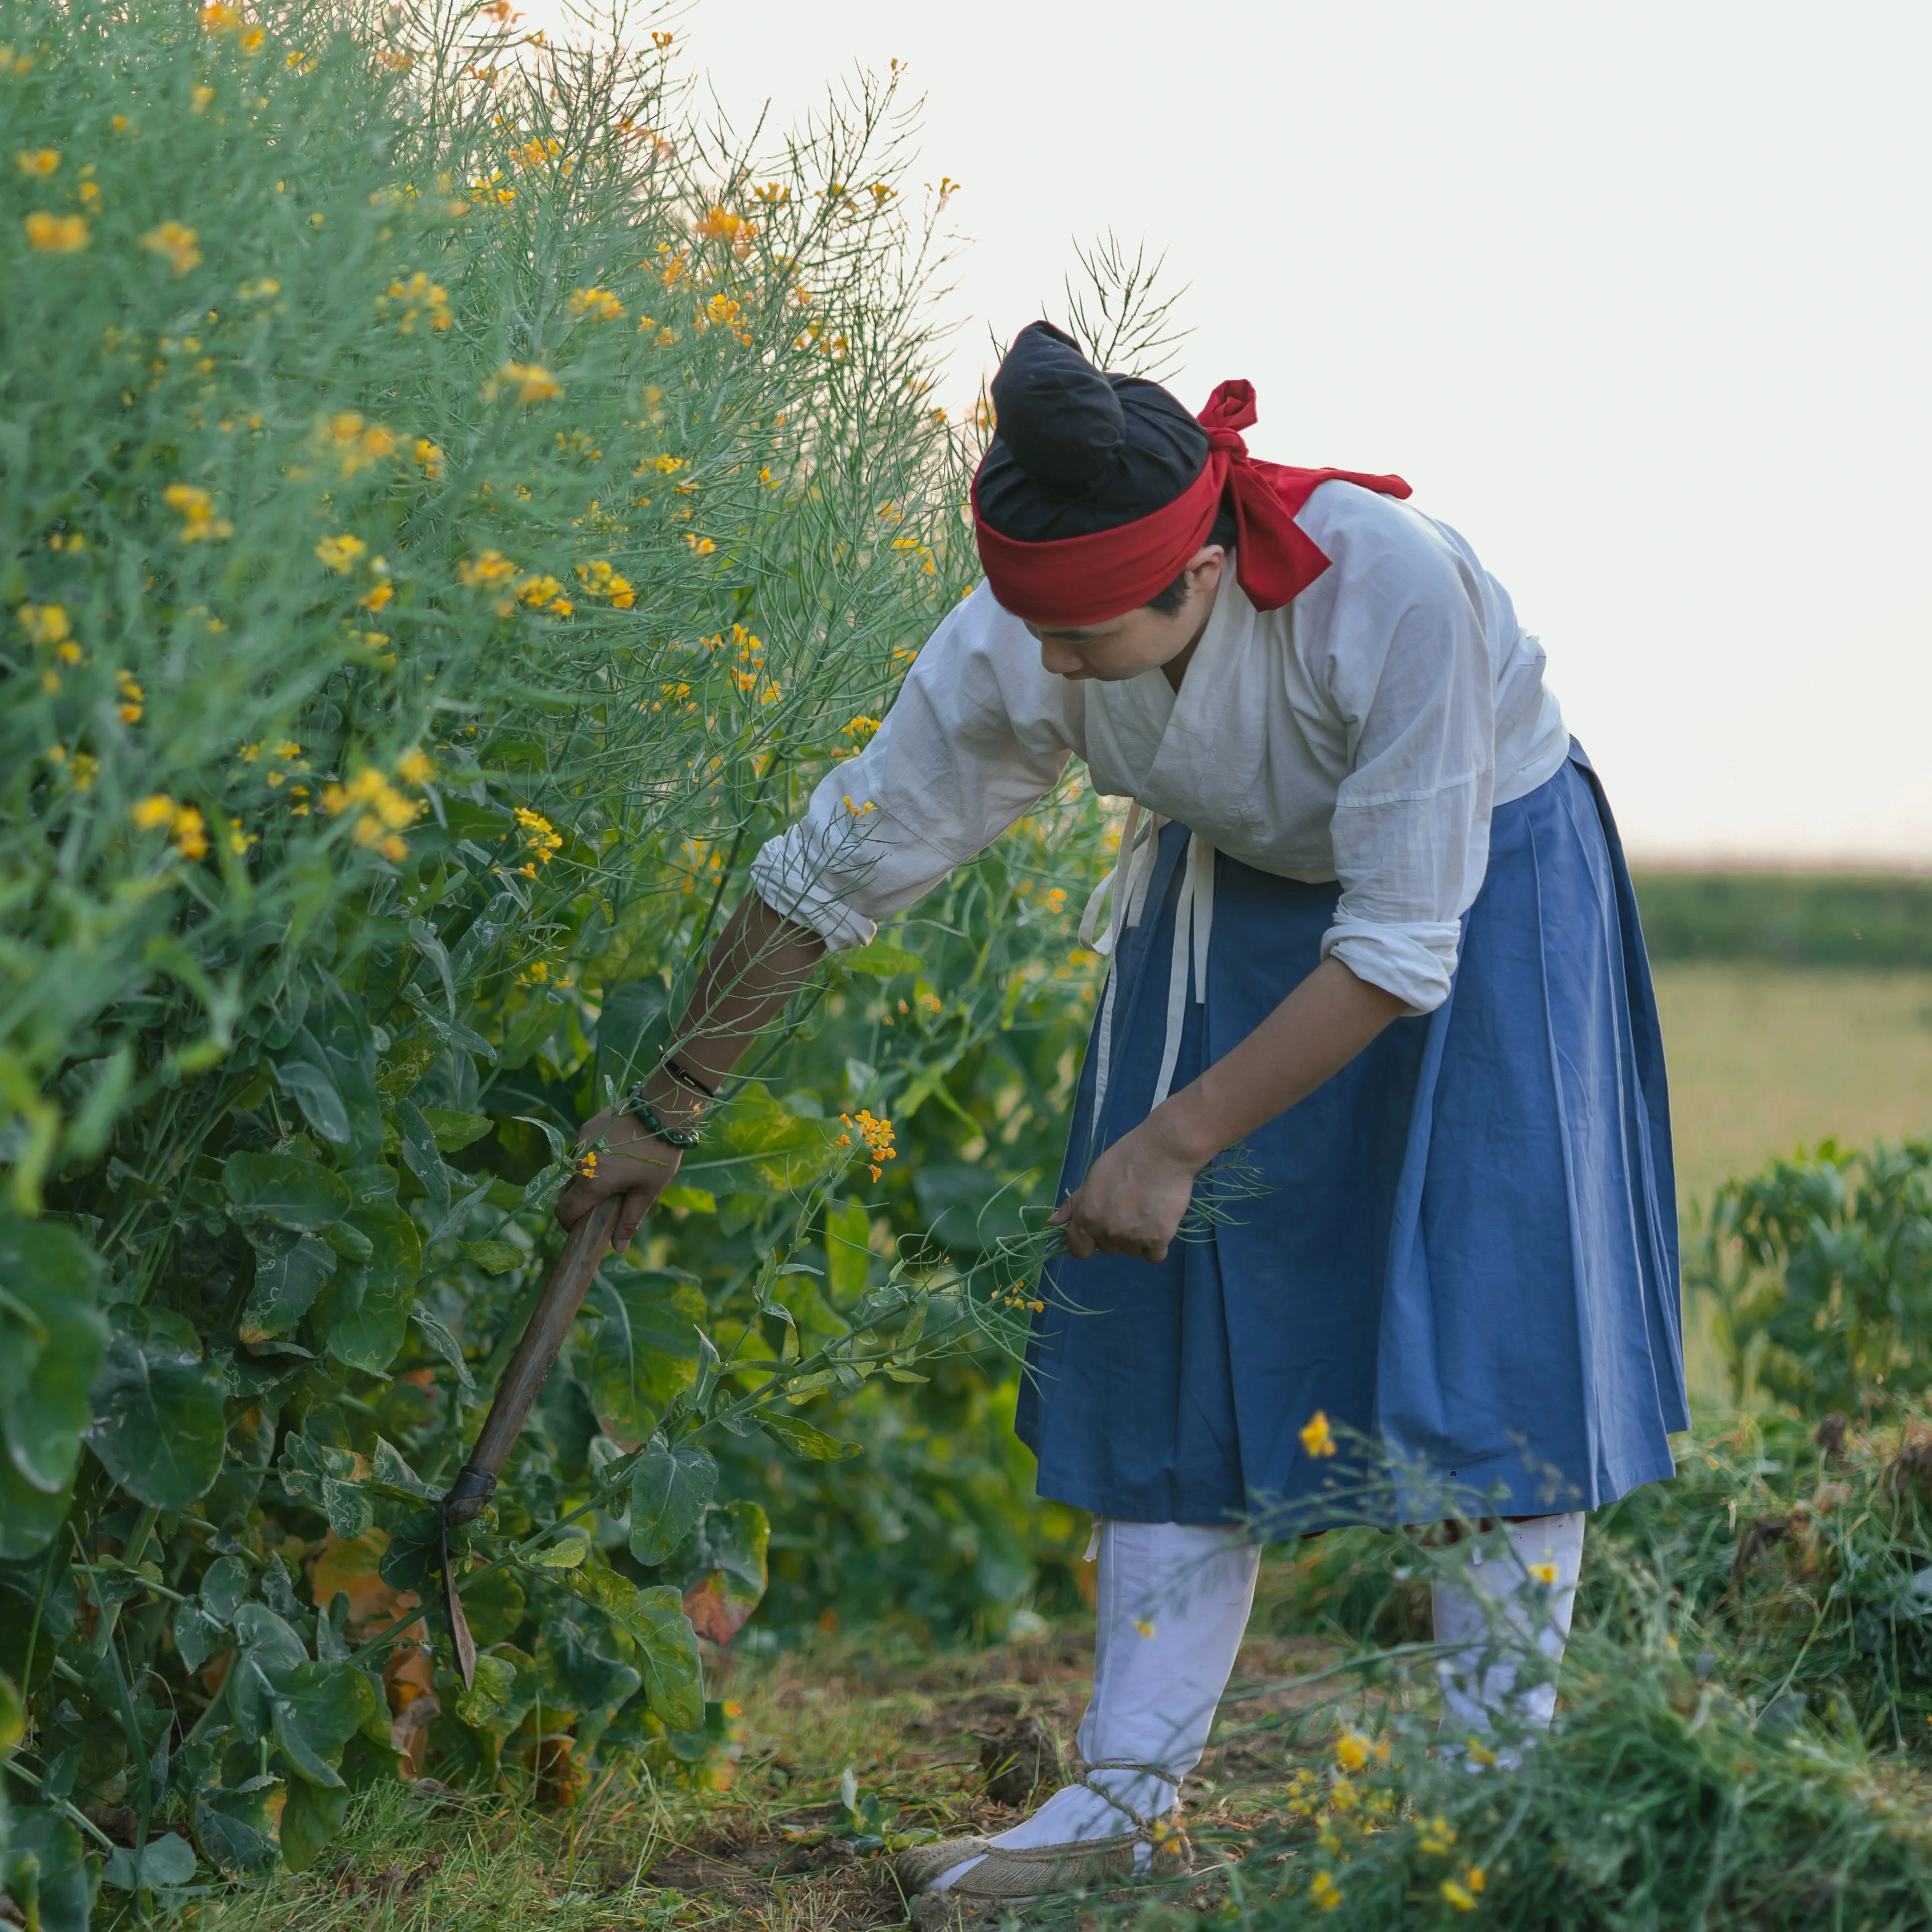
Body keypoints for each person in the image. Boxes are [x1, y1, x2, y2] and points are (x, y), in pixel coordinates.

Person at [557, 321, 1686, 1905]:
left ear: (1204, 575)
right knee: (1164, 1323)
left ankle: (1486, 1799)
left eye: (1091, 639)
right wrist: (670, 1097)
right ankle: (1120, 1800)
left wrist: (1169, 1139)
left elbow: (1396, 946)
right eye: (1039, 633)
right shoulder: (1025, 628)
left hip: (1479, 898)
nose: (1057, 668)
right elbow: (838, 861)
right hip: (1236, 888)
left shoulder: (1394, 592)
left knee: (1482, 1328)